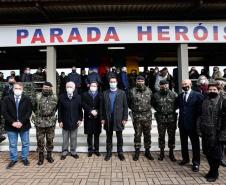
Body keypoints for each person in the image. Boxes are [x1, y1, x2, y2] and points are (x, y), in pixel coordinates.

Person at [197, 82, 226, 182]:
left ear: (218, 90)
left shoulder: (223, 101)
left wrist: (223, 135)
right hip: (206, 132)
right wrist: (199, 129)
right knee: (207, 153)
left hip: (217, 133)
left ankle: (215, 172)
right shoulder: (204, 101)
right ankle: (211, 170)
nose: (212, 91)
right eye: (210, 90)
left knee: (216, 155)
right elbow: (200, 116)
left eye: (214, 90)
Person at [2, 82, 32, 169]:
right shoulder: (7, 98)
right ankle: (13, 159)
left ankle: (24, 158)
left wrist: (21, 122)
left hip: (24, 125)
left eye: (19, 88)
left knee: (25, 143)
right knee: (12, 144)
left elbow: (29, 111)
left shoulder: (27, 98)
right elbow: (4, 112)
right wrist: (13, 122)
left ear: (22, 90)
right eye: (16, 88)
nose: (17, 90)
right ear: (13, 89)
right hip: (11, 125)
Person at [177, 79, 203, 172]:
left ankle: (196, 163)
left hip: (193, 125)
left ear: (190, 84)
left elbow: (201, 112)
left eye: (186, 84)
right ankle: (185, 159)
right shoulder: (180, 96)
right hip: (182, 124)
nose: (184, 85)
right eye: (183, 84)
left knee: (195, 145)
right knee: (183, 143)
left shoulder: (198, 96)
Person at [100, 75, 128, 161]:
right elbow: (101, 107)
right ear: (109, 83)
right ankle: (109, 153)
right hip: (108, 118)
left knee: (119, 137)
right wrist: (102, 118)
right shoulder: (105, 93)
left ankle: (120, 153)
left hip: (119, 118)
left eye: (114, 82)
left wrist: (125, 118)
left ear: (117, 83)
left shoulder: (122, 93)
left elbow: (125, 106)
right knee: (109, 137)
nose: (113, 83)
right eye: (111, 82)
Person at [128, 75, 154, 161]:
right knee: (137, 134)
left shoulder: (149, 90)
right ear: (136, 82)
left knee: (147, 134)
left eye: (142, 81)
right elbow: (129, 102)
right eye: (139, 81)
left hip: (147, 116)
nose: (140, 82)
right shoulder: (132, 91)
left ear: (144, 81)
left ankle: (147, 151)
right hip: (137, 116)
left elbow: (152, 102)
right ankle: (137, 151)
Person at [32, 82, 58, 165]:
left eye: (48, 87)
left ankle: (49, 156)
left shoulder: (54, 97)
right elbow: (33, 107)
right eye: (45, 87)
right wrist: (37, 116)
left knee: (50, 140)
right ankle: (41, 157)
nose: (46, 88)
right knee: (40, 140)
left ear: (51, 88)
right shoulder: (37, 96)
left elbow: (56, 108)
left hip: (50, 122)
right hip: (40, 122)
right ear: (43, 87)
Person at [152, 80, 178, 161]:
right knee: (161, 136)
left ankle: (171, 153)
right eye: (162, 85)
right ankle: (161, 152)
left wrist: (170, 111)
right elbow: (153, 104)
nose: (164, 86)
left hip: (171, 118)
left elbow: (177, 104)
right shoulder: (155, 95)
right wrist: (160, 111)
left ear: (168, 85)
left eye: (166, 84)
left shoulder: (174, 94)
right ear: (160, 86)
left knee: (172, 136)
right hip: (160, 118)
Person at [58, 81, 83, 160]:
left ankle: (73, 152)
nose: (69, 88)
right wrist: (60, 121)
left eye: (71, 87)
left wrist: (80, 119)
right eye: (67, 87)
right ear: (65, 88)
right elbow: (60, 110)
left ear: (74, 88)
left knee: (73, 138)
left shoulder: (78, 97)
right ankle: (64, 152)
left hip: (74, 121)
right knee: (65, 138)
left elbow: (80, 110)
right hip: (65, 121)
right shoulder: (61, 97)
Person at [82, 81, 102, 157]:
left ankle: (96, 150)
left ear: (97, 87)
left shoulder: (100, 94)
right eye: (92, 85)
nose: (93, 87)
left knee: (97, 135)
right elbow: (83, 104)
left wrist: (97, 111)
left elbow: (101, 105)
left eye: (95, 85)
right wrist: (90, 111)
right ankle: (90, 150)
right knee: (89, 135)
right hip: (88, 117)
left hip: (97, 117)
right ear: (89, 86)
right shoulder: (84, 94)